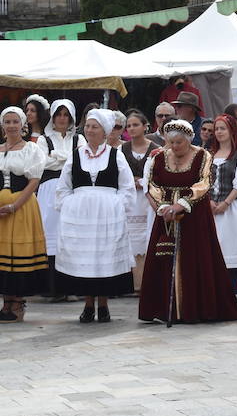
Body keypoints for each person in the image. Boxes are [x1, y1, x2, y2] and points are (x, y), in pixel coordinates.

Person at [138, 120, 237, 324]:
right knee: (164, 256)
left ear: (188, 140)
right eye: (171, 142)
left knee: (196, 257)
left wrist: (182, 204)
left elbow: (204, 183)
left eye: (179, 142)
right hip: (166, 215)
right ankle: (163, 309)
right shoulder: (159, 157)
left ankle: (197, 308)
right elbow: (152, 184)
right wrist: (163, 206)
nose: (174, 147)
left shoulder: (202, 156)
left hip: (195, 215)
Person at [53, 109, 136, 322]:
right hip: (81, 218)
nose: (89, 130)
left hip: (107, 216)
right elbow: (63, 187)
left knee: (104, 257)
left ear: (105, 131)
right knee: (85, 258)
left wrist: (117, 206)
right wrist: (71, 206)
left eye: (94, 126)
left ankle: (104, 304)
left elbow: (127, 187)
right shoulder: (76, 155)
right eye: (88, 126)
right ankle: (88, 304)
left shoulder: (115, 155)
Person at [0, 107, 47, 322]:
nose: (11, 126)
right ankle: (6, 302)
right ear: (2, 125)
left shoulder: (32, 150)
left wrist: (15, 205)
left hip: (22, 207)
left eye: (15, 121)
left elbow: (34, 181)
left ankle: (17, 302)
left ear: (22, 124)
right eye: (7, 122)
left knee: (18, 253)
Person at [37, 98, 78, 293]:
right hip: (48, 191)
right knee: (50, 235)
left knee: (70, 234)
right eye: (59, 114)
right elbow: (41, 164)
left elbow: (80, 161)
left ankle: (69, 286)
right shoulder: (43, 139)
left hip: (71, 190)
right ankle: (50, 287)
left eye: (66, 114)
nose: (62, 118)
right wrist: (66, 159)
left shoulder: (79, 139)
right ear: (52, 117)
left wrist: (56, 157)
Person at [206, 115, 237, 291]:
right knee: (215, 242)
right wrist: (209, 200)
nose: (218, 132)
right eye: (216, 129)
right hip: (211, 208)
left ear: (232, 130)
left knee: (232, 241)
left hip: (232, 207)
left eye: (222, 128)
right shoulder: (209, 154)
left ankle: (234, 284)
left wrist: (226, 202)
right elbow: (203, 181)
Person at [120, 110, 161, 292]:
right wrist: (131, 182)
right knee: (129, 236)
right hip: (129, 199)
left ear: (145, 126)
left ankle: (146, 281)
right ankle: (130, 282)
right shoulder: (122, 149)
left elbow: (160, 174)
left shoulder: (155, 149)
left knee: (146, 236)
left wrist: (143, 181)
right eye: (129, 125)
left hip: (148, 198)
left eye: (135, 124)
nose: (132, 128)